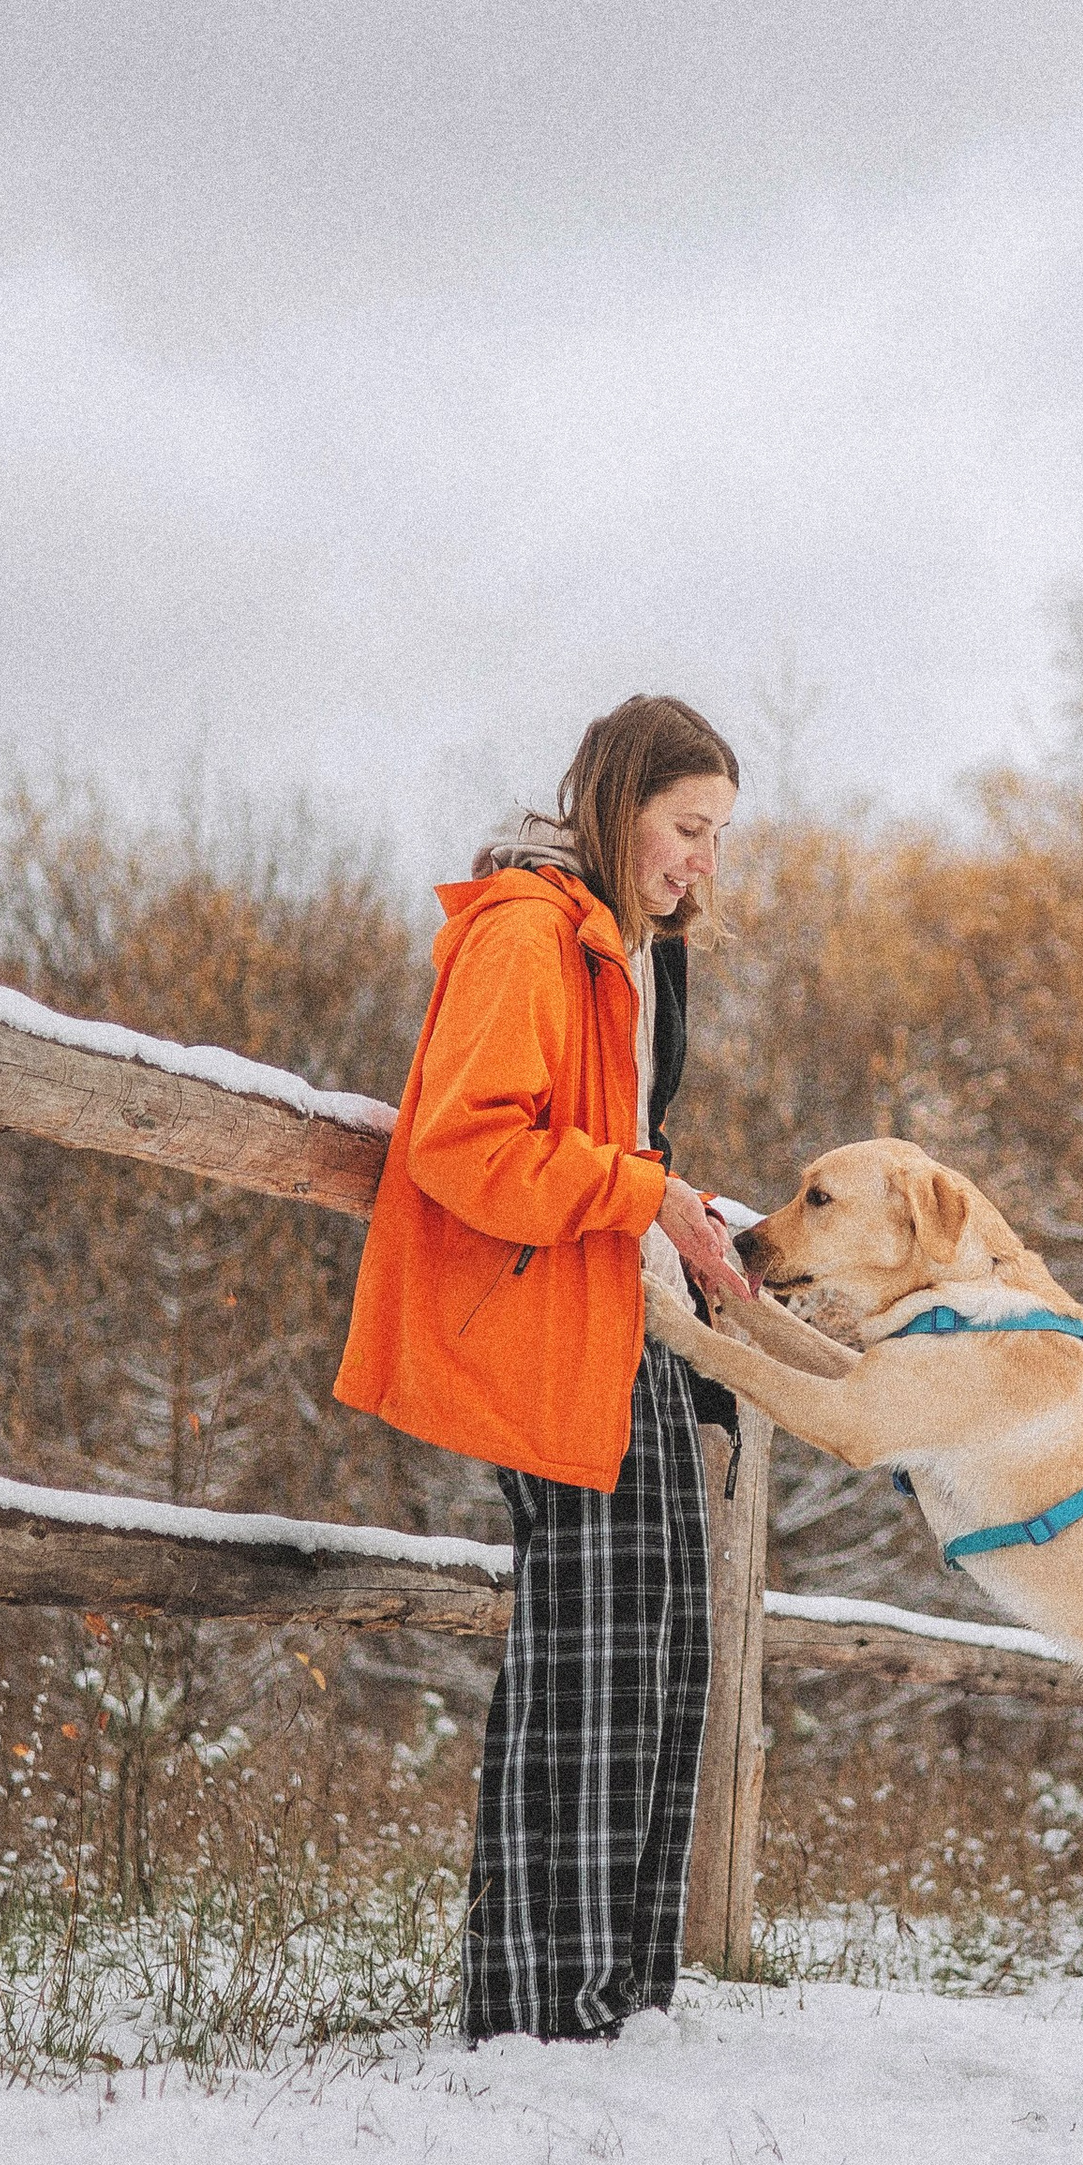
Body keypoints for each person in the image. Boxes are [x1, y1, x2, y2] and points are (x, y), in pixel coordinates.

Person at [335, 694, 751, 2041]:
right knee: (590, 1663)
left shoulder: (630, 952)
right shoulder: (528, 931)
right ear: (621, 803)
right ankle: (539, 2007)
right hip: (545, 1330)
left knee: (664, 1645)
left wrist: (679, 1215)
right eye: (686, 827)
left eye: (717, 836)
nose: (702, 861)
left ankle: (623, 1991)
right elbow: (464, 1143)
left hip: (621, 1320)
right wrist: (643, 1195)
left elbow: (623, 1148)